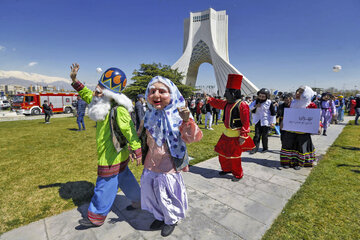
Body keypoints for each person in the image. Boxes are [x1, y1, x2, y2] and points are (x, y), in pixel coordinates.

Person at [69, 63, 143, 227]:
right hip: (118, 154)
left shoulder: (118, 109)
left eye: (102, 86)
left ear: (111, 93)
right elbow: (86, 93)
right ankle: (139, 201)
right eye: (99, 84)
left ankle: (96, 216)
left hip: (110, 155)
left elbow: (129, 130)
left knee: (105, 184)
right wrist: (74, 79)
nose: (97, 88)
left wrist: (137, 150)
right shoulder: (99, 101)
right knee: (125, 177)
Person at [140, 76, 203, 237]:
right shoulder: (148, 114)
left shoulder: (179, 114)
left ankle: (171, 219)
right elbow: (141, 136)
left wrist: (187, 121)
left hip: (169, 161)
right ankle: (160, 215)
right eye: (152, 91)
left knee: (166, 191)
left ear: (172, 93)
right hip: (151, 160)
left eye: (162, 91)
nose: (156, 95)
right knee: (151, 190)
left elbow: (192, 138)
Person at [206, 74, 255, 181]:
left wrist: (243, 135)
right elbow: (217, 103)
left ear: (234, 93)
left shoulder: (243, 105)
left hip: (236, 135)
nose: (225, 94)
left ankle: (238, 174)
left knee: (235, 157)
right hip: (226, 134)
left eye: (227, 92)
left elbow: (246, 122)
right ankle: (226, 169)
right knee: (221, 153)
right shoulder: (226, 103)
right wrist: (209, 99)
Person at [280, 86, 317, 170]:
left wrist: (318, 126)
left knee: (301, 146)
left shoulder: (311, 105)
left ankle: (299, 163)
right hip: (291, 130)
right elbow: (288, 115)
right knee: (288, 145)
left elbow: (315, 117)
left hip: (303, 131)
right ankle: (287, 162)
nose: (297, 93)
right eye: (297, 91)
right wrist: (283, 122)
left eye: (301, 92)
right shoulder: (292, 103)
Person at [249, 88, 276, 154]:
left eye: (263, 97)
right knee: (257, 135)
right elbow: (249, 108)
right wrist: (255, 106)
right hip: (258, 120)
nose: (261, 98)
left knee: (264, 136)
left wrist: (272, 122)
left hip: (266, 121)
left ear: (267, 96)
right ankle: (254, 148)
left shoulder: (269, 102)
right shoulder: (255, 101)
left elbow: (273, 113)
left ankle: (265, 148)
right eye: (260, 96)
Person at [277, 93, 293, 168]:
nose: (287, 100)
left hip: (293, 126)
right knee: (284, 141)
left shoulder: (294, 105)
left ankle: (292, 159)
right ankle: (285, 160)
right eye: (286, 99)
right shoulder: (281, 106)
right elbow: (279, 114)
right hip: (283, 124)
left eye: (289, 99)